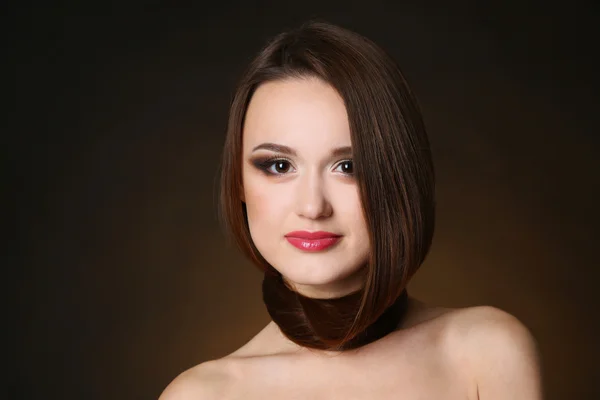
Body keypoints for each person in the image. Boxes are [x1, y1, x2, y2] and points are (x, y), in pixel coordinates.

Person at [160, 20, 542, 399]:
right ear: (239, 182)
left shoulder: (486, 353)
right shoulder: (201, 395)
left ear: (398, 177)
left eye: (348, 167)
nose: (312, 207)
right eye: (279, 166)